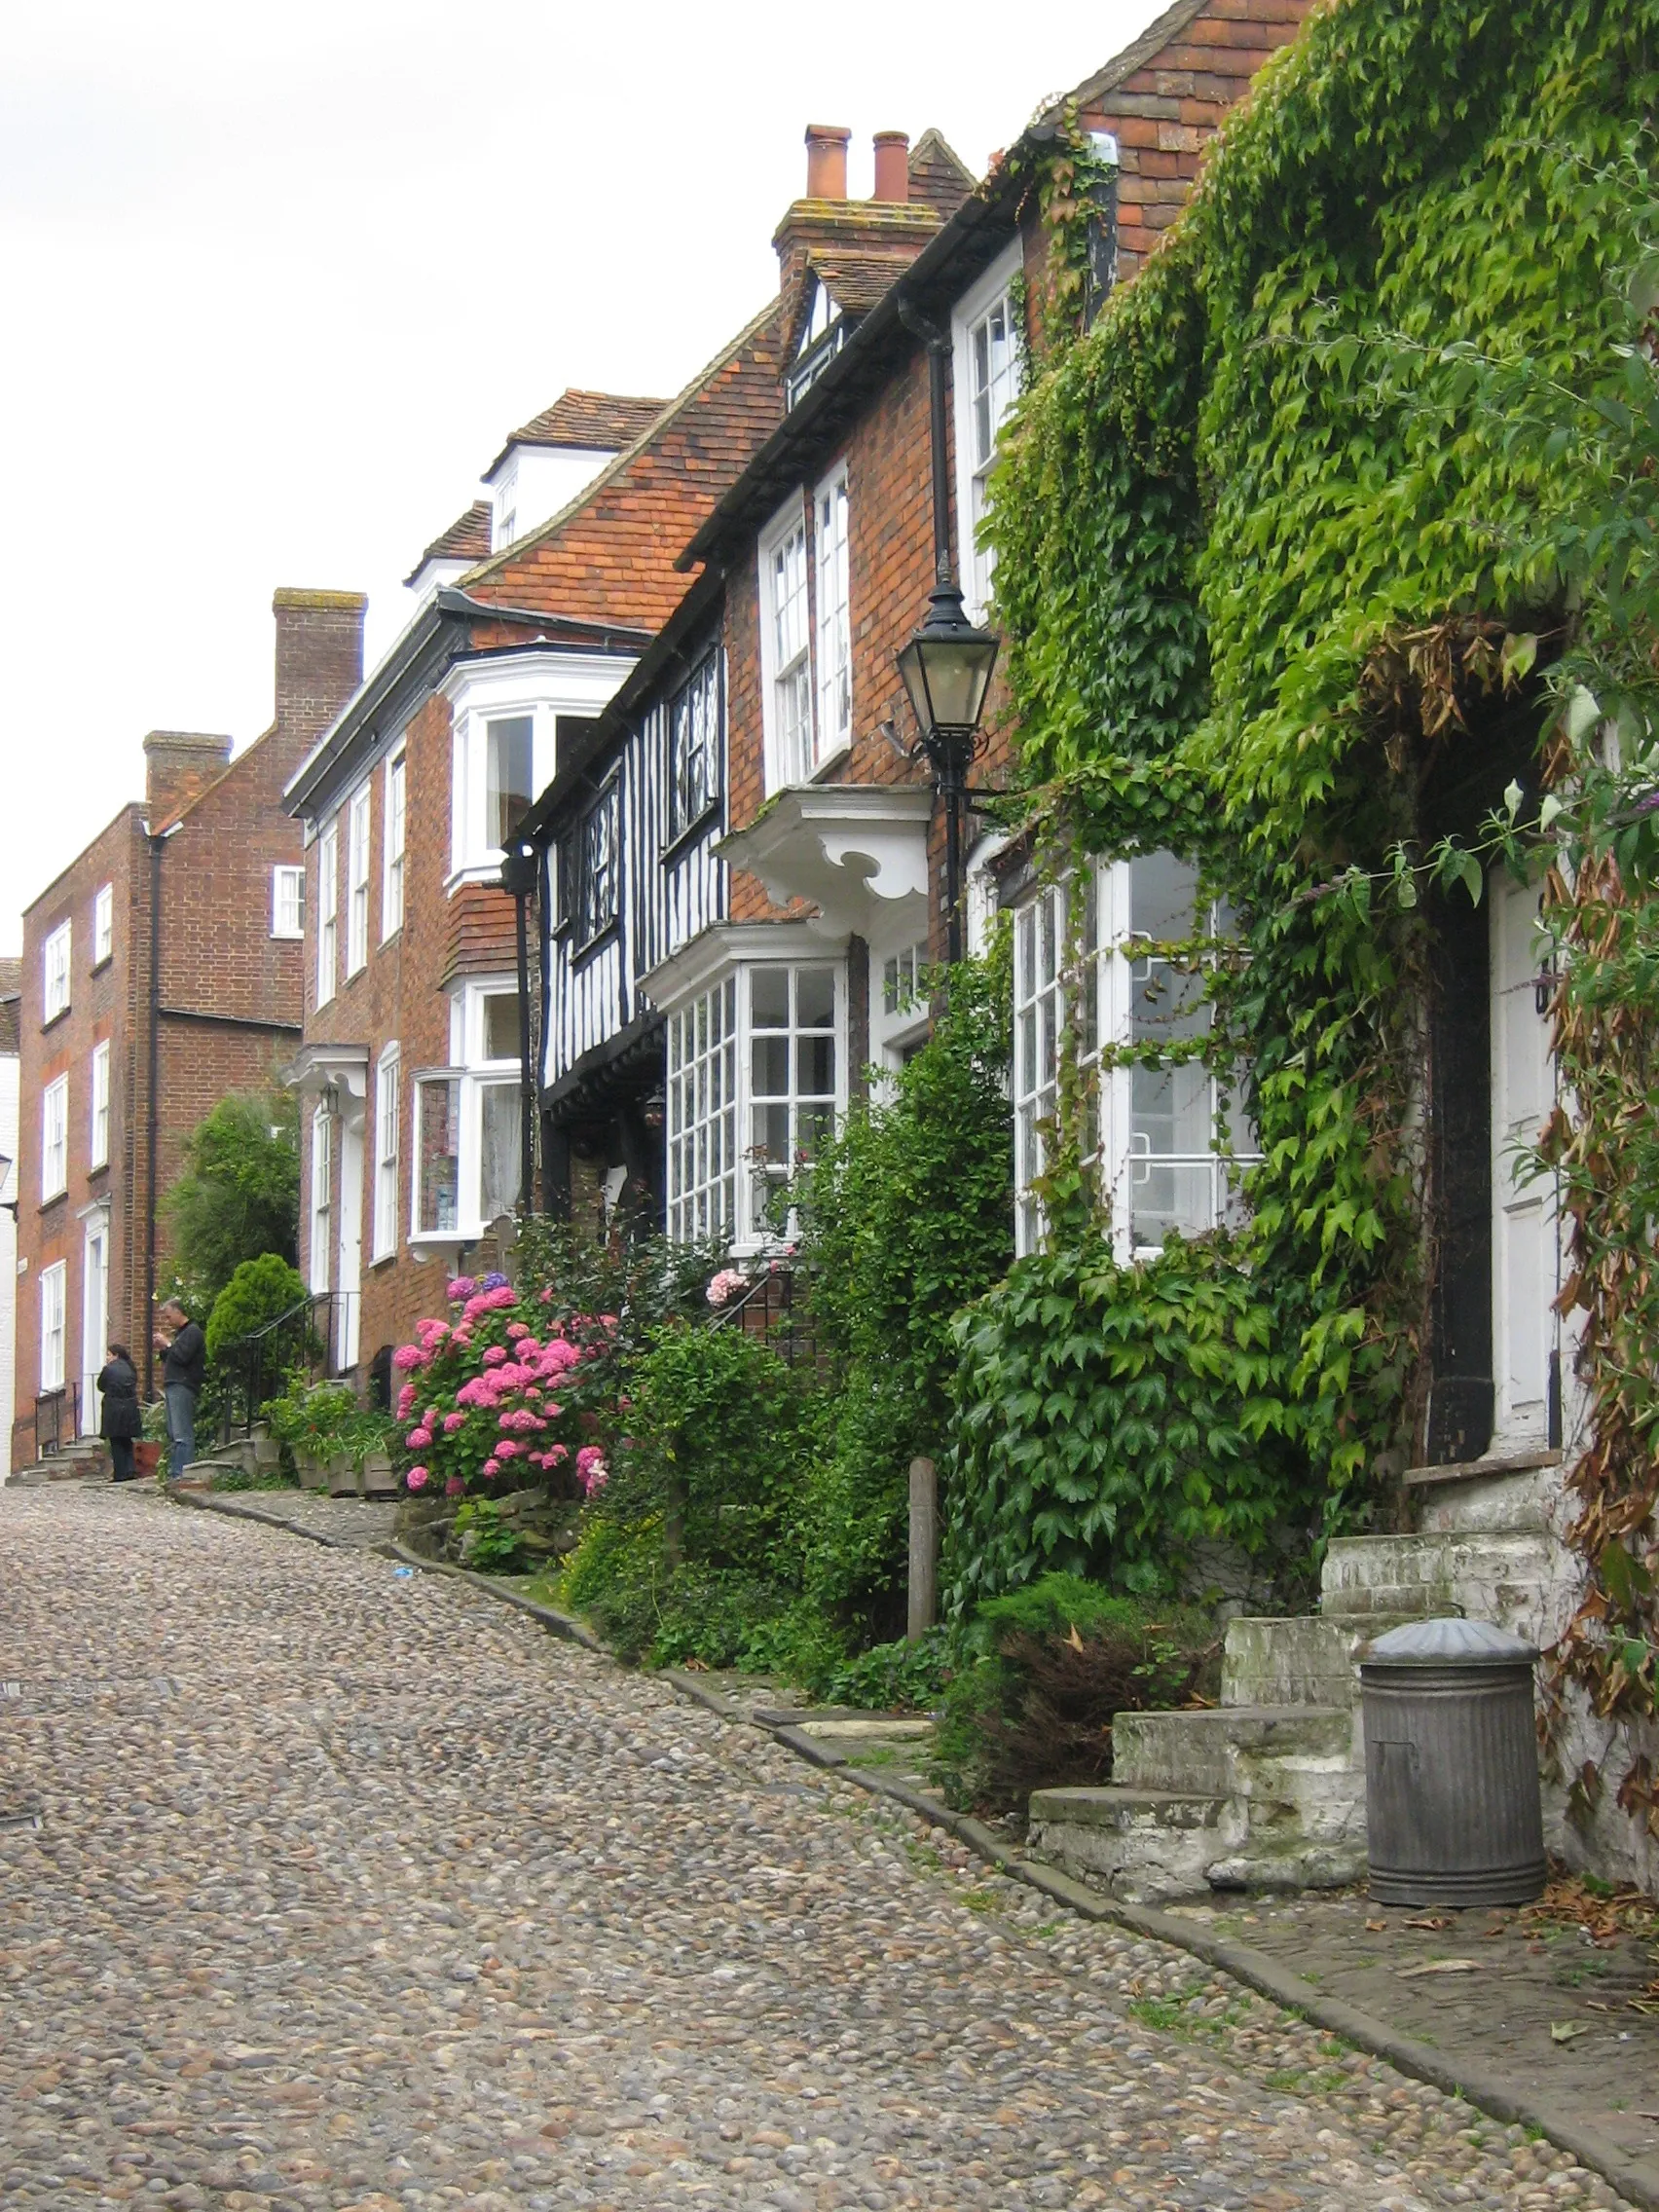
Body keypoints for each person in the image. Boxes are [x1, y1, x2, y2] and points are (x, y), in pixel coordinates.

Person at [154, 1299, 205, 1479]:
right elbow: (174, 1357)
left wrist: (168, 1345)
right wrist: (164, 1349)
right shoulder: (182, 1334)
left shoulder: (193, 1332)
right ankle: (176, 1473)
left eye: (169, 1317)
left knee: (182, 1432)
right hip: (174, 1384)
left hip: (183, 1384)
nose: (168, 1321)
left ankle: (183, 1473)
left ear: (178, 1312)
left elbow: (183, 1356)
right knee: (174, 1432)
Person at [97, 1344, 142, 1481]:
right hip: (130, 1406)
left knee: (116, 1441)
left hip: (114, 1407)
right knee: (127, 1440)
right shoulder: (131, 1368)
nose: (107, 1358)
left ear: (116, 1355)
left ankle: (120, 1473)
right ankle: (130, 1470)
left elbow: (101, 1385)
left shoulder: (108, 1370)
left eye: (109, 1354)